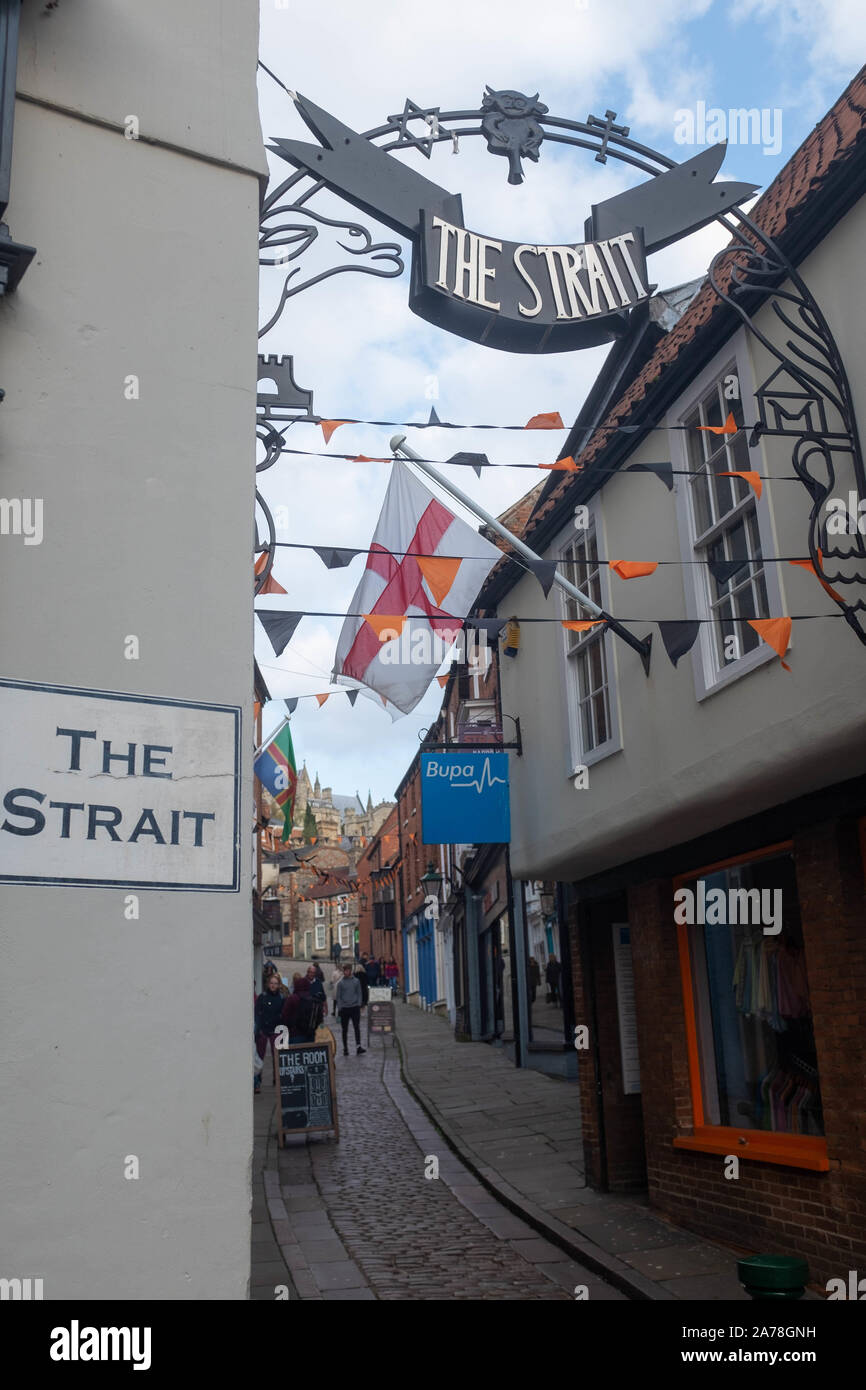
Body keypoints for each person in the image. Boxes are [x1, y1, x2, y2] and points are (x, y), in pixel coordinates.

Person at [254, 972, 285, 1079]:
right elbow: (257, 1013)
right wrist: (258, 1030)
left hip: (276, 1031)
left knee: (277, 1057)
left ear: (279, 985)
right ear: (268, 984)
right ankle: (258, 1080)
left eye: (275, 983)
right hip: (263, 1030)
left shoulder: (281, 998)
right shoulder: (262, 997)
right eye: (271, 983)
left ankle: (277, 1080)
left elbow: (284, 1015)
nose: (273, 985)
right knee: (259, 1057)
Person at [336, 963, 366, 1057]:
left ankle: (358, 1046)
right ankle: (345, 1048)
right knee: (344, 1029)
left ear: (350, 971)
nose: (346, 972)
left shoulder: (356, 981)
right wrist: (340, 1008)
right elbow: (338, 996)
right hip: (344, 1009)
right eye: (345, 970)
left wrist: (359, 1004)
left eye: (348, 970)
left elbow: (359, 993)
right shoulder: (340, 983)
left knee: (356, 1027)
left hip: (354, 1008)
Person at [283, 975, 323, 1044]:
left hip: (294, 1034)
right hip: (310, 1035)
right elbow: (319, 1018)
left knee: (295, 1053)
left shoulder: (292, 998)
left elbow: (285, 1015)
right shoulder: (312, 998)